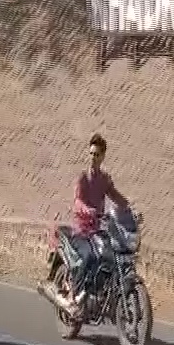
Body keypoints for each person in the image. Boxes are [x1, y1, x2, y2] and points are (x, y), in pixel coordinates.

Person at [67, 133, 129, 313]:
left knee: (112, 255)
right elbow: (77, 201)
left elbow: (116, 196)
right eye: (91, 154)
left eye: (97, 154)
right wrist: (89, 210)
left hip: (98, 230)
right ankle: (76, 298)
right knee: (89, 256)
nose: (93, 158)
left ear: (103, 157)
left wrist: (129, 209)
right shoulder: (83, 178)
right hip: (81, 231)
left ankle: (102, 294)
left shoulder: (104, 179)